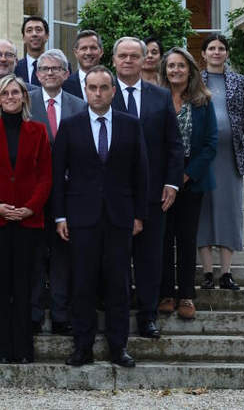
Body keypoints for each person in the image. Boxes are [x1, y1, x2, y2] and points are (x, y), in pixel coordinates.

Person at [51, 65, 148, 368]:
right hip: (81, 218)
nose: (97, 93)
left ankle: (119, 348)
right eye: (92, 87)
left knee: (118, 285)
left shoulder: (130, 125)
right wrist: (59, 216)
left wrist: (139, 215)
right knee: (83, 285)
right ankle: (83, 347)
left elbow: (141, 173)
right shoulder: (70, 125)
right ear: (85, 90)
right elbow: (57, 175)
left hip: (120, 217)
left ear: (113, 91)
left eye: (104, 88)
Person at [0, 76, 51, 363]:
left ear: (24, 97)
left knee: (25, 285)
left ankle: (23, 349)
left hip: (29, 220)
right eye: (5, 93)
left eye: (15, 92)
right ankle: (1, 349)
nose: (11, 97)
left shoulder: (38, 131)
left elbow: (45, 176)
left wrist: (30, 207)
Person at [111, 36, 183, 340]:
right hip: (112, 194)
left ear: (144, 60)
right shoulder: (101, 93)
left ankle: (147, 316)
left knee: (150, 258)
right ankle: (115, 314)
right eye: (123, 56)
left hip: (154, 193)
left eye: (134, 56)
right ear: (113, 60)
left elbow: (174, 145)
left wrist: (172, 183)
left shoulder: (160, 96)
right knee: (114, 258)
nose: (128, 61)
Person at [27, 48, 86, 336]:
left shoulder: (79, 105)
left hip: (69, 193)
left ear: (66, 73)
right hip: (32, 193)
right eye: (44, 69)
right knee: (35, 255)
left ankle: (61, 314)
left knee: (64, 256)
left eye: (56, 69)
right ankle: (35, 313)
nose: (50, 73)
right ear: (36, 75)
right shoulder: (25, 102)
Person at [158, 47, 218, 321]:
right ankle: (166, 293)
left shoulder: (203, 101)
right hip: (162, 179)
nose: (175, 71)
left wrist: (186, 174)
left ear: (190, 69)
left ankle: (186, 296)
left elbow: (210, 144)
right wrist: (168, 176)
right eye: (171, 66)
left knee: (186, 239)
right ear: (165, 71)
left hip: (192, 181)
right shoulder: (157, 98)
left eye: (180, 66)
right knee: (163, 238)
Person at [198, 34, 244, 292]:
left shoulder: (241, 82)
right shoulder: (195, 81)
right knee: (204, 210)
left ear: (227, 54)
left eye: (221, 48)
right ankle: (207, 272)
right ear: (204, 54)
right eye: (211, 48)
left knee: (229, 210)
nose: (216, 52)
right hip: (202, 156)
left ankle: (226, 272)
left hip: (230, 155)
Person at [62, 29, 103, 100]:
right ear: (76, 52)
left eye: (93, 48)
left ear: (101, 52)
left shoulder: (113, 83)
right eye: (84, 48)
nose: (88, 53)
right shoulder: (64, 85)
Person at [15, 15, 50, 86]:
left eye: (38, 30)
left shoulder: (60, 67)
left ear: (47, 36)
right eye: (29, 30)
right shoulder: (14, 68)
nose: (34, 34)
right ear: (23, 38)